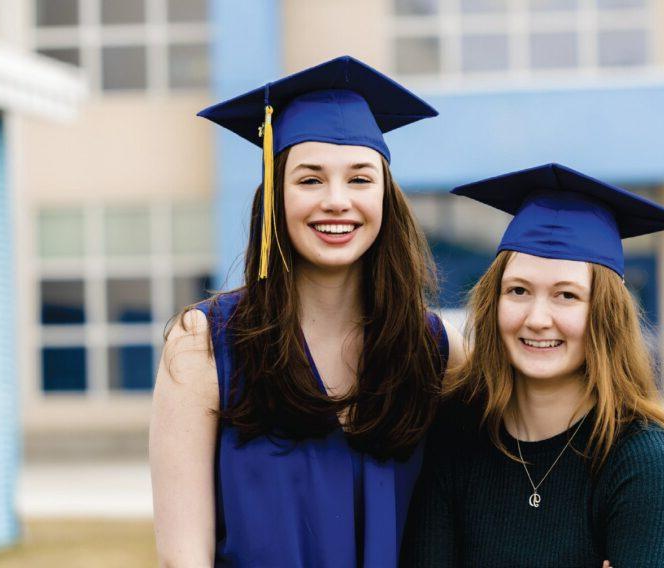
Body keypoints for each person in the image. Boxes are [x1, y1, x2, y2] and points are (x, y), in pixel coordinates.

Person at [149, 56, 464, 567]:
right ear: (275, 196)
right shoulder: (205, 345)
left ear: (387, 197)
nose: (337, 201)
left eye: (360, 179)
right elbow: (183, 558)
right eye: (310, 180)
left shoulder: (436, 351)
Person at [402, 163, 664, 567]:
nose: (538, 318)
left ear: (604, 315)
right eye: (519, 290)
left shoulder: (643, 458)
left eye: (566, 296)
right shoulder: (454, 432)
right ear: (495, 303)